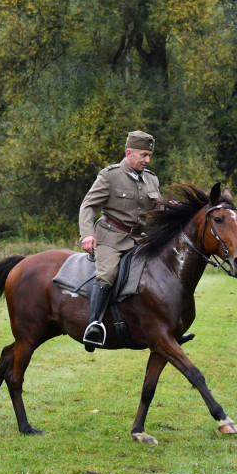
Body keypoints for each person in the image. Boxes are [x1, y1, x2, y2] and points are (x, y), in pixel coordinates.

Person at [78, 130, 161, 344]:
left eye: (149, 155)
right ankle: (94, 325)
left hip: (139, 240)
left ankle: (165, 327)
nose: (147, 160)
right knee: (107, 273)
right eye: (143, 155)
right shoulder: (110, 175)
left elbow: (157, 210)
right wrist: (87, 234)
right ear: (129, 152)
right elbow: (88, 206)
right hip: (110, 238)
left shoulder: (151, 179)